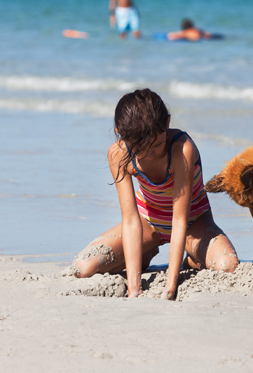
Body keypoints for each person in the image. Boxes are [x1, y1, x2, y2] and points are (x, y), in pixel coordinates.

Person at [71, 89, 239, 299]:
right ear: (120, 133)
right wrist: (134, 289)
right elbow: (131, 219)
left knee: (228, 265)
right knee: (83, 267)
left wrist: (171, 285)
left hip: (192, 225)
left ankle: (192, 259)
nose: (149, 155)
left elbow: (180, 219)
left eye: (157, 144)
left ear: (167, 123)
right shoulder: (118, 153)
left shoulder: (181, 148)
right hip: (147, 223)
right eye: (140, 149)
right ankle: (146, 252)